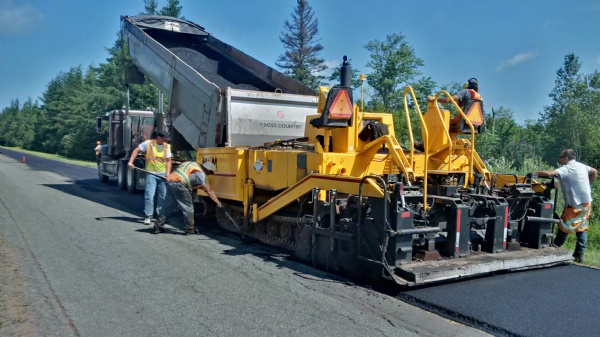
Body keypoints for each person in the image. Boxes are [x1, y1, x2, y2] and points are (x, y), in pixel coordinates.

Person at [535, 149, 597, 263]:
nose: (559, 159)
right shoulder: (582, 166)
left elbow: (550, 174)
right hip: (587, 202)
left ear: (566, 158)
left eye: (561, 157)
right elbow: (594, 172)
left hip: (575, 204)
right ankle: (579, 254)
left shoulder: (568, 168)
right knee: (581, 227)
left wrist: (534, 174)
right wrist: (588, 186)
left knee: (564, 225)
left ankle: (556, 248)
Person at [154, 161, 222, 235]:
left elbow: (193, 183)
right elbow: (209, 191)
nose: (209, 175)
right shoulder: (200, 173)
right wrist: (218, 203)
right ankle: (190, 229)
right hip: (179, 184)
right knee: (188, 207)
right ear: (208, 170)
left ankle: (158, 227)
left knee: (167, 206)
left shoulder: (191, 164)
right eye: (210, 173)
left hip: (170, 182)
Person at [127, 131, 173, 225]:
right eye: (164, 139)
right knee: (149, 195)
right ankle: (148, 216)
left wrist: (168, 174)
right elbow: (136, 150)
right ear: (159, 138)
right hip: (151, 173)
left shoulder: (167, 147)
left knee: (162, 196)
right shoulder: (148, 143)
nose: (165, 141)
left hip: (163, 174)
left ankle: (161, 217)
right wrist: (130, 162)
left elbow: (168, 161)